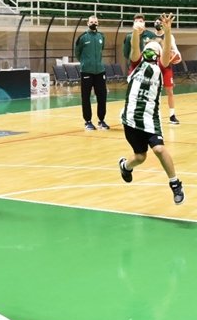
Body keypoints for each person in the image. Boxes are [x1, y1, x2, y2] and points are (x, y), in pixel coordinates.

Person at [117, 14, 184, 204]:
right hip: (130, 118)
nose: (150, 51)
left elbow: (165, 53)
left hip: (149, 118)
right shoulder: (136, 63)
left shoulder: (161, 67)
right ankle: (125, 166)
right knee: (140, 156)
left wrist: (168, 30)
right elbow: (134, 49)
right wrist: (136, 31)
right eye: (148, 49)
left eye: (154, 49)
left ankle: (175, 183)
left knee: (160, 149)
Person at [75, 14, 110, 130]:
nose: (93, 23)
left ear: (98, 23)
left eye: (95, 22)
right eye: (91, 22)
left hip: (100, 71)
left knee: (102, 96)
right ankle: (88, 121)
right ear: (87, 23)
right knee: (86, 97)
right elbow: (77, 54)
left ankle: (101, 120)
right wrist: (86, 63)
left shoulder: (101, 37)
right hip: (86, 72)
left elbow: (102, 50)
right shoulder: (82, 38)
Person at [153, 16, 183, 125]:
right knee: (154, 91)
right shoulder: (150, 36)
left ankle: (172, 115)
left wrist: (175, 56)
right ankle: (154, 114)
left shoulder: (169, 36)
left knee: (169, 91)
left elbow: (176, 51)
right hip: (155, 66)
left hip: (166, 66)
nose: (157, 23)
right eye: (156, 22)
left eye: (159, 22)